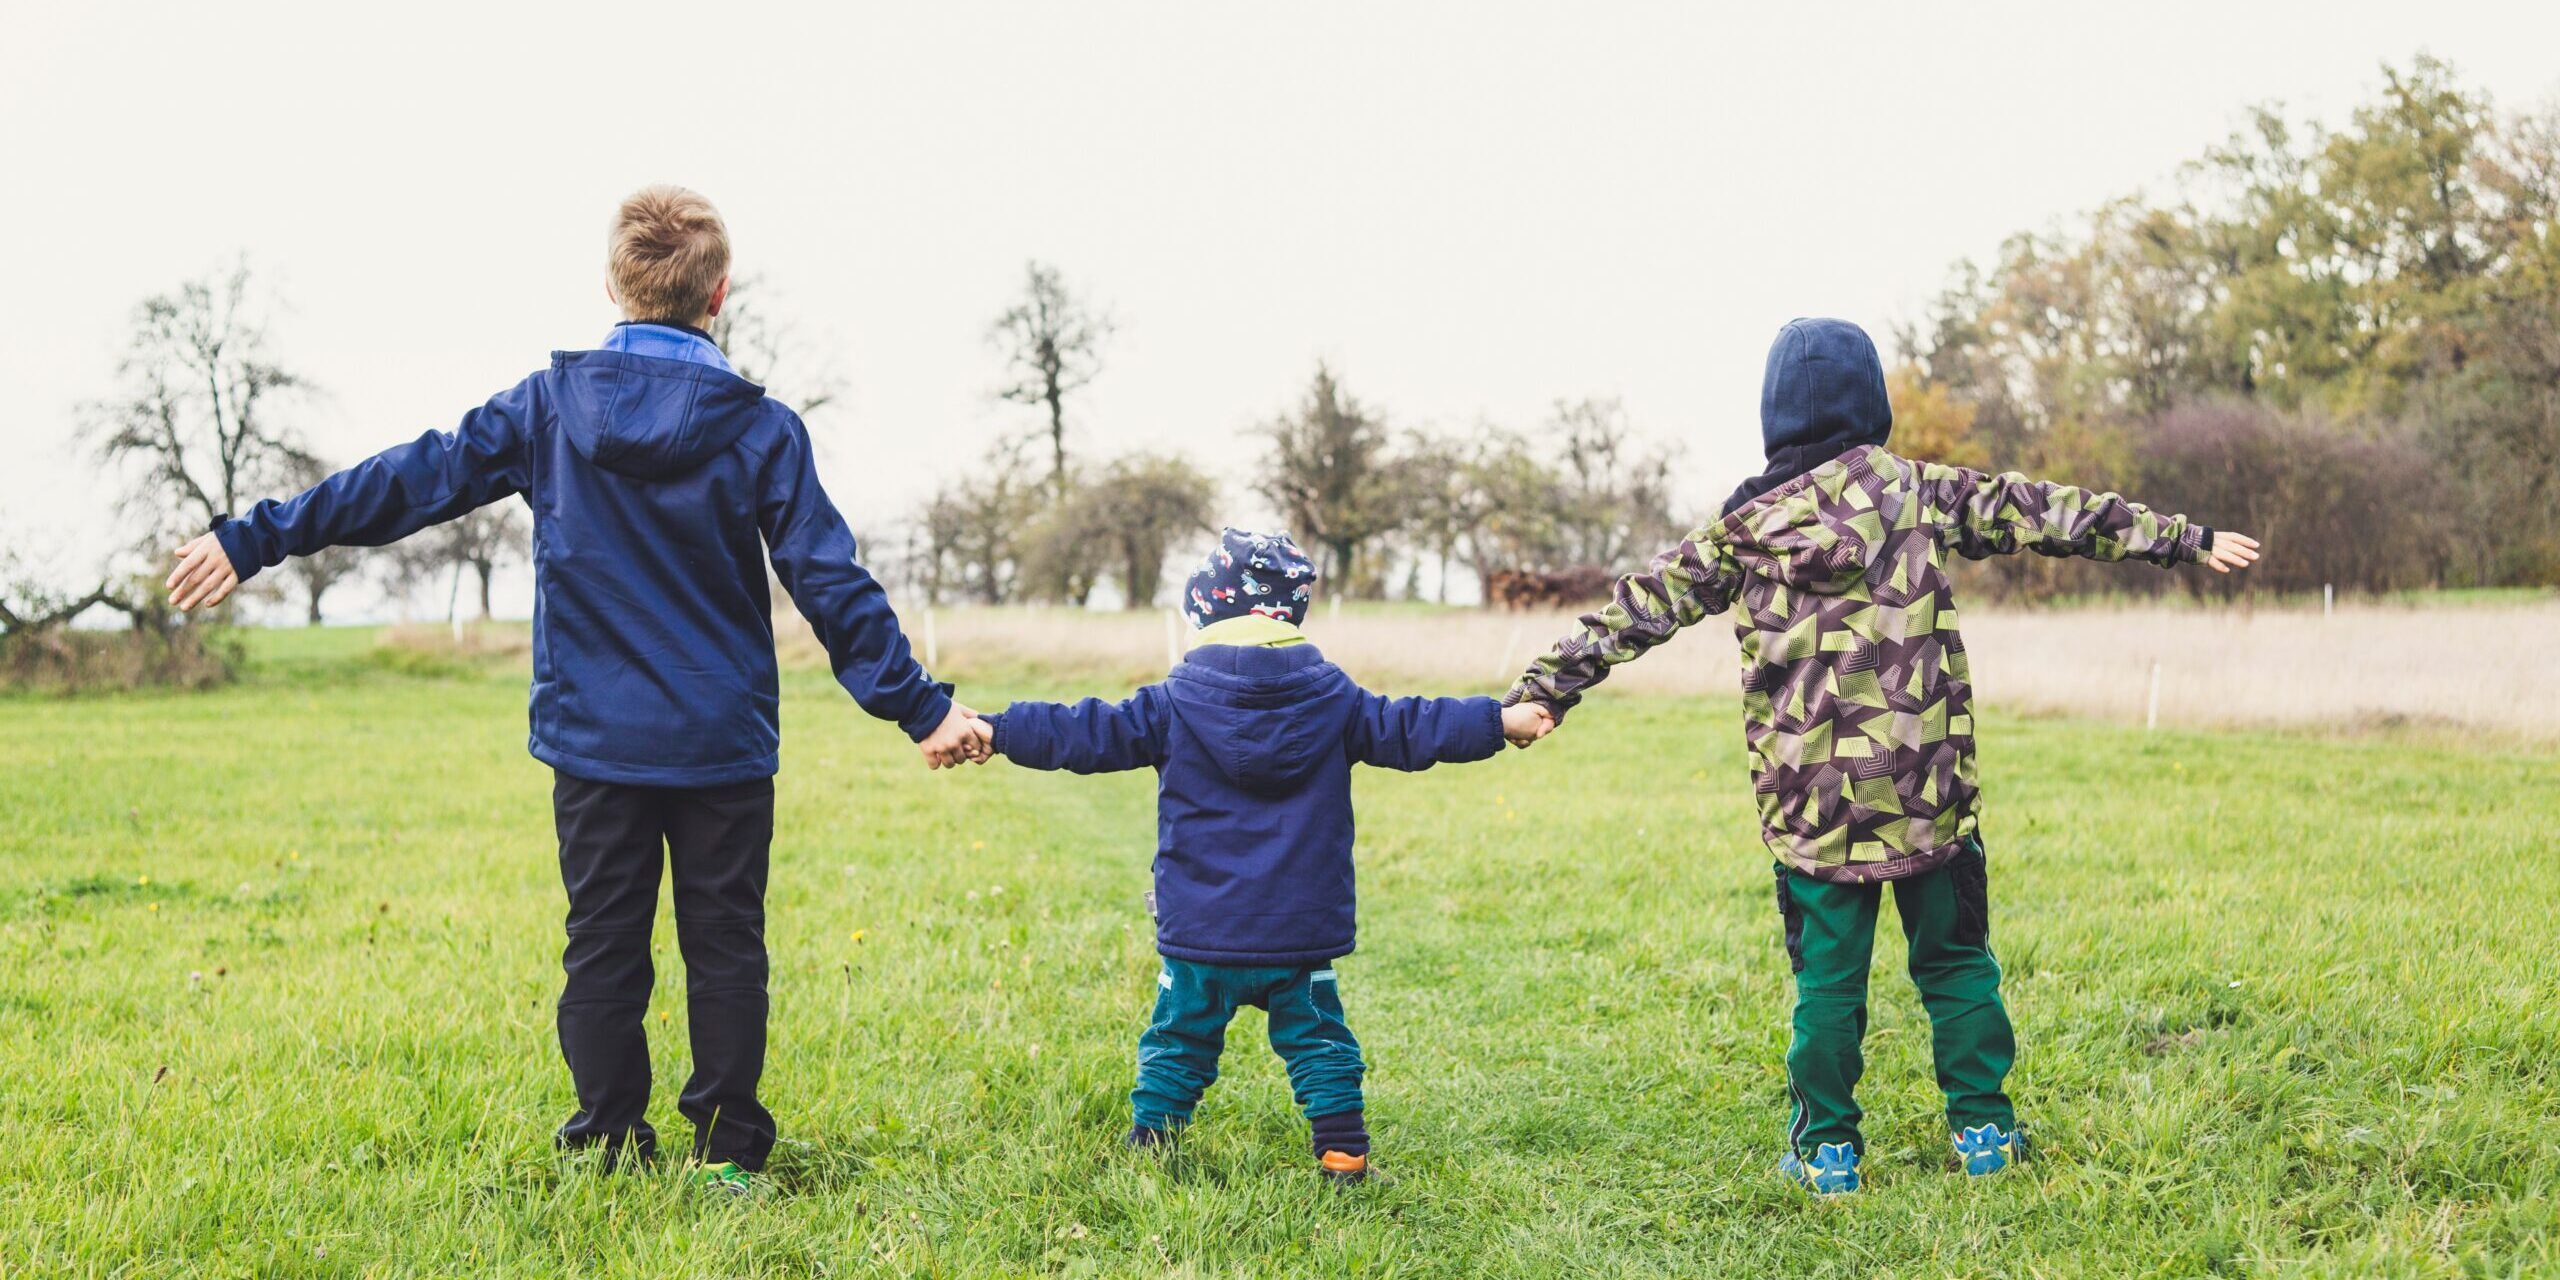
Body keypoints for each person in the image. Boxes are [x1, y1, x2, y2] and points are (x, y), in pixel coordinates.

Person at [161, 185, 989, 1194]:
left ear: (610, 283)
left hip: (595, 740)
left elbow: (406, 480)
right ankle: (727, 1154)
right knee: (725, 943)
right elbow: (829, 580)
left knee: (602, 946)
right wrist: (922, 706)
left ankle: (605, 1141)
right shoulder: (762, 427)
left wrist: (255, 537)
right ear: (719, 293)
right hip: (720, 739)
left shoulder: (548, 409)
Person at [1503, 317, 2260, 1194]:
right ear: (1875, 404)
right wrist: (2183, 539)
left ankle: (1827, 1151)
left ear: (1774, 416)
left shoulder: (1742, 531)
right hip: (1927, 793)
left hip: (1814, 812)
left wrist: (1546, 689)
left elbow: (1637, 607)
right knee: (1955, 964)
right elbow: (2045, 511)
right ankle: (1983, 1133)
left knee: (1827, 986)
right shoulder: (1915, 493)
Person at [962, 528, 1551, 1183]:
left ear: (1207, 611)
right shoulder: (1336, 700)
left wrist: (998, 728)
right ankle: (1343, 1155)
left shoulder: (1173, 702)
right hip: (1297, 931)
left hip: (1201, 931)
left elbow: (1084, 731)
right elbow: (1414, 726)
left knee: (1179, 1039)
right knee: (1321, 1043)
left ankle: (1150, 1144)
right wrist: (1500, 722)